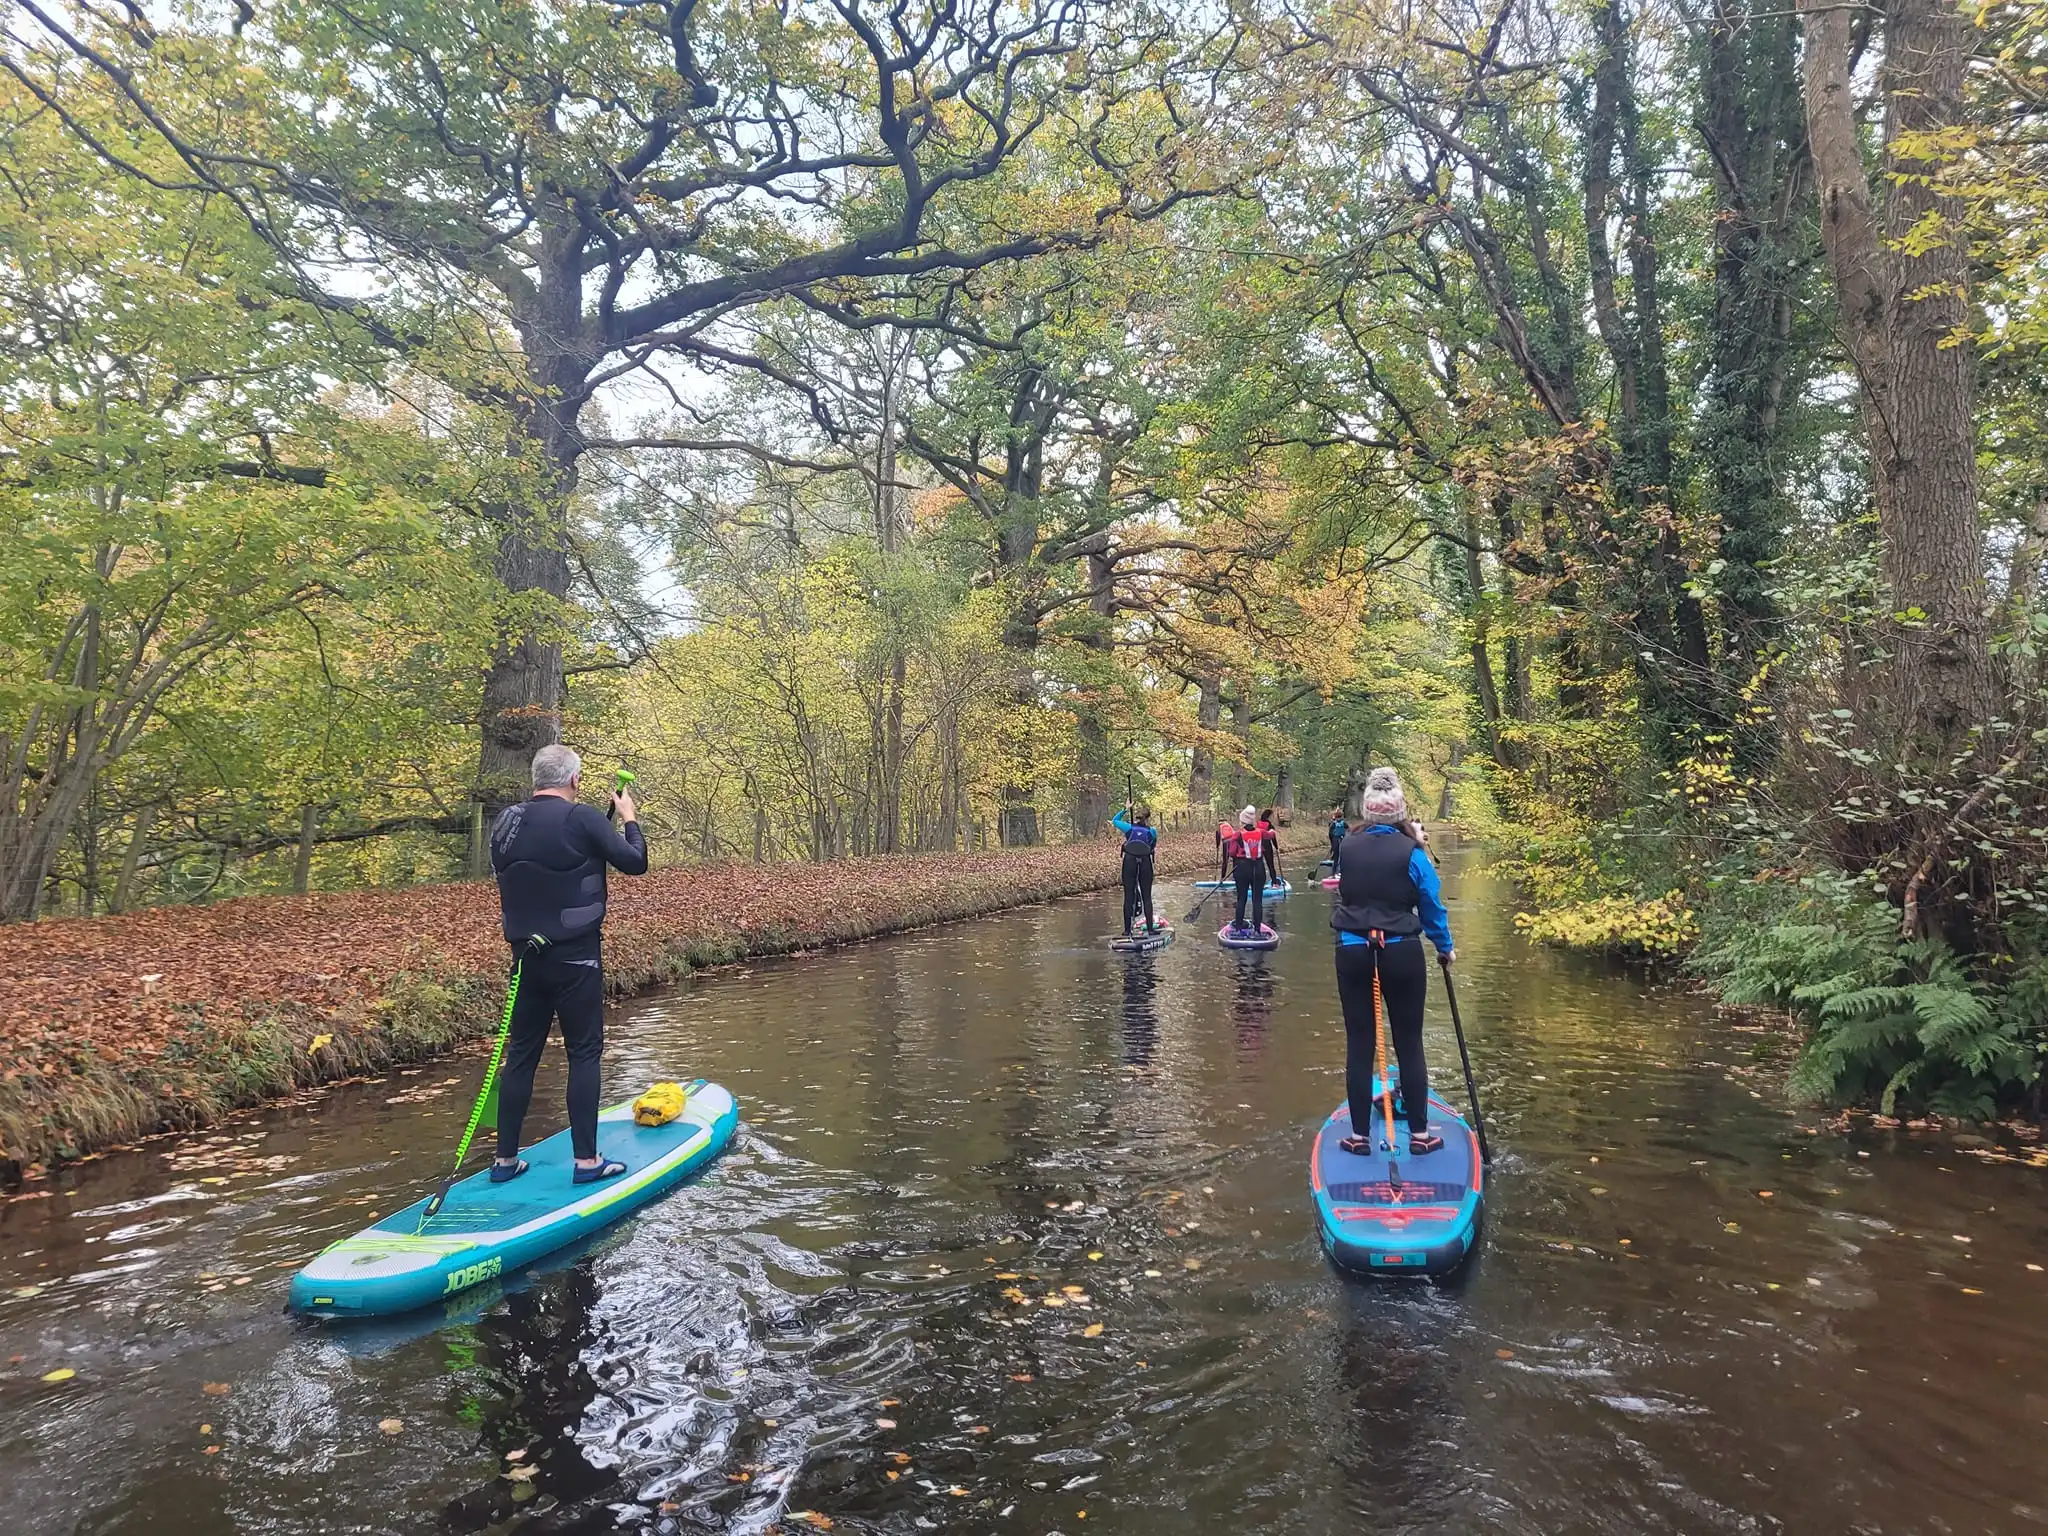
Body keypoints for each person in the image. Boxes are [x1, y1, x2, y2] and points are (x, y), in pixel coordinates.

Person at [488, 743, 649, 1185]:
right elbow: (636, 863)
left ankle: (504, 1161)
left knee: (521, 1055)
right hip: (577, 958)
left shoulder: (506, 821)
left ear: (536, 779)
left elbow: (525, 865)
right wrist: (628, 818)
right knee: (584, 1054)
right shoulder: (584, 819)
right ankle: (586, 1163)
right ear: (575, 780)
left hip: (525, 960)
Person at [1330, 766, 1455, 1155]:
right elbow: (1431, 903)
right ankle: (1420, 1136)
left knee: (1360, 1041)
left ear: (1367, 812)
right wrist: (1444, 947)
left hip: (1352, 949)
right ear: (1399, 813)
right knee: (1409, 1041)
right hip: (1400, 950)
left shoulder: (1346, 848)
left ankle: (1359, 1137)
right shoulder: (1413, 853)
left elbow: (1348, 890)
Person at [1217, 804, 1271, 934]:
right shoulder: (1261, 833)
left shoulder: (1237, 835)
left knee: (1241, 899)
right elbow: (1272, 835)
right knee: (1257, 900)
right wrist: (1268, 827)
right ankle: (1257, 930)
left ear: (1242, 821)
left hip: (1242, 868)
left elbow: (1231, 853)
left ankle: (1238, 928)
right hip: (1258, 868)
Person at [1112, 803, 1160, 936]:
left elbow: (1115, 820)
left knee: (1129, 896)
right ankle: (1150, 930)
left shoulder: (1128, 828)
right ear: (1147, 818)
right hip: (1145, 862)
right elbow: (1153, 844)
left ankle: (1127, 930)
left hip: (1129, 862)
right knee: (1146, 897)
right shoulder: (1152, 831)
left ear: (1136, 818)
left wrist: (1125, 808)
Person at [1258, 807, 1282, 889]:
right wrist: (1276, 847)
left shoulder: (1258, 824)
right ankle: (1274, 883)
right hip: (1267, 845)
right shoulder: (1270, 825)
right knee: (1270, 865)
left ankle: (1260, 883)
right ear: (1269, 816)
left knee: (1259, 866)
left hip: (1258, 846)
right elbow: (1273, 837)